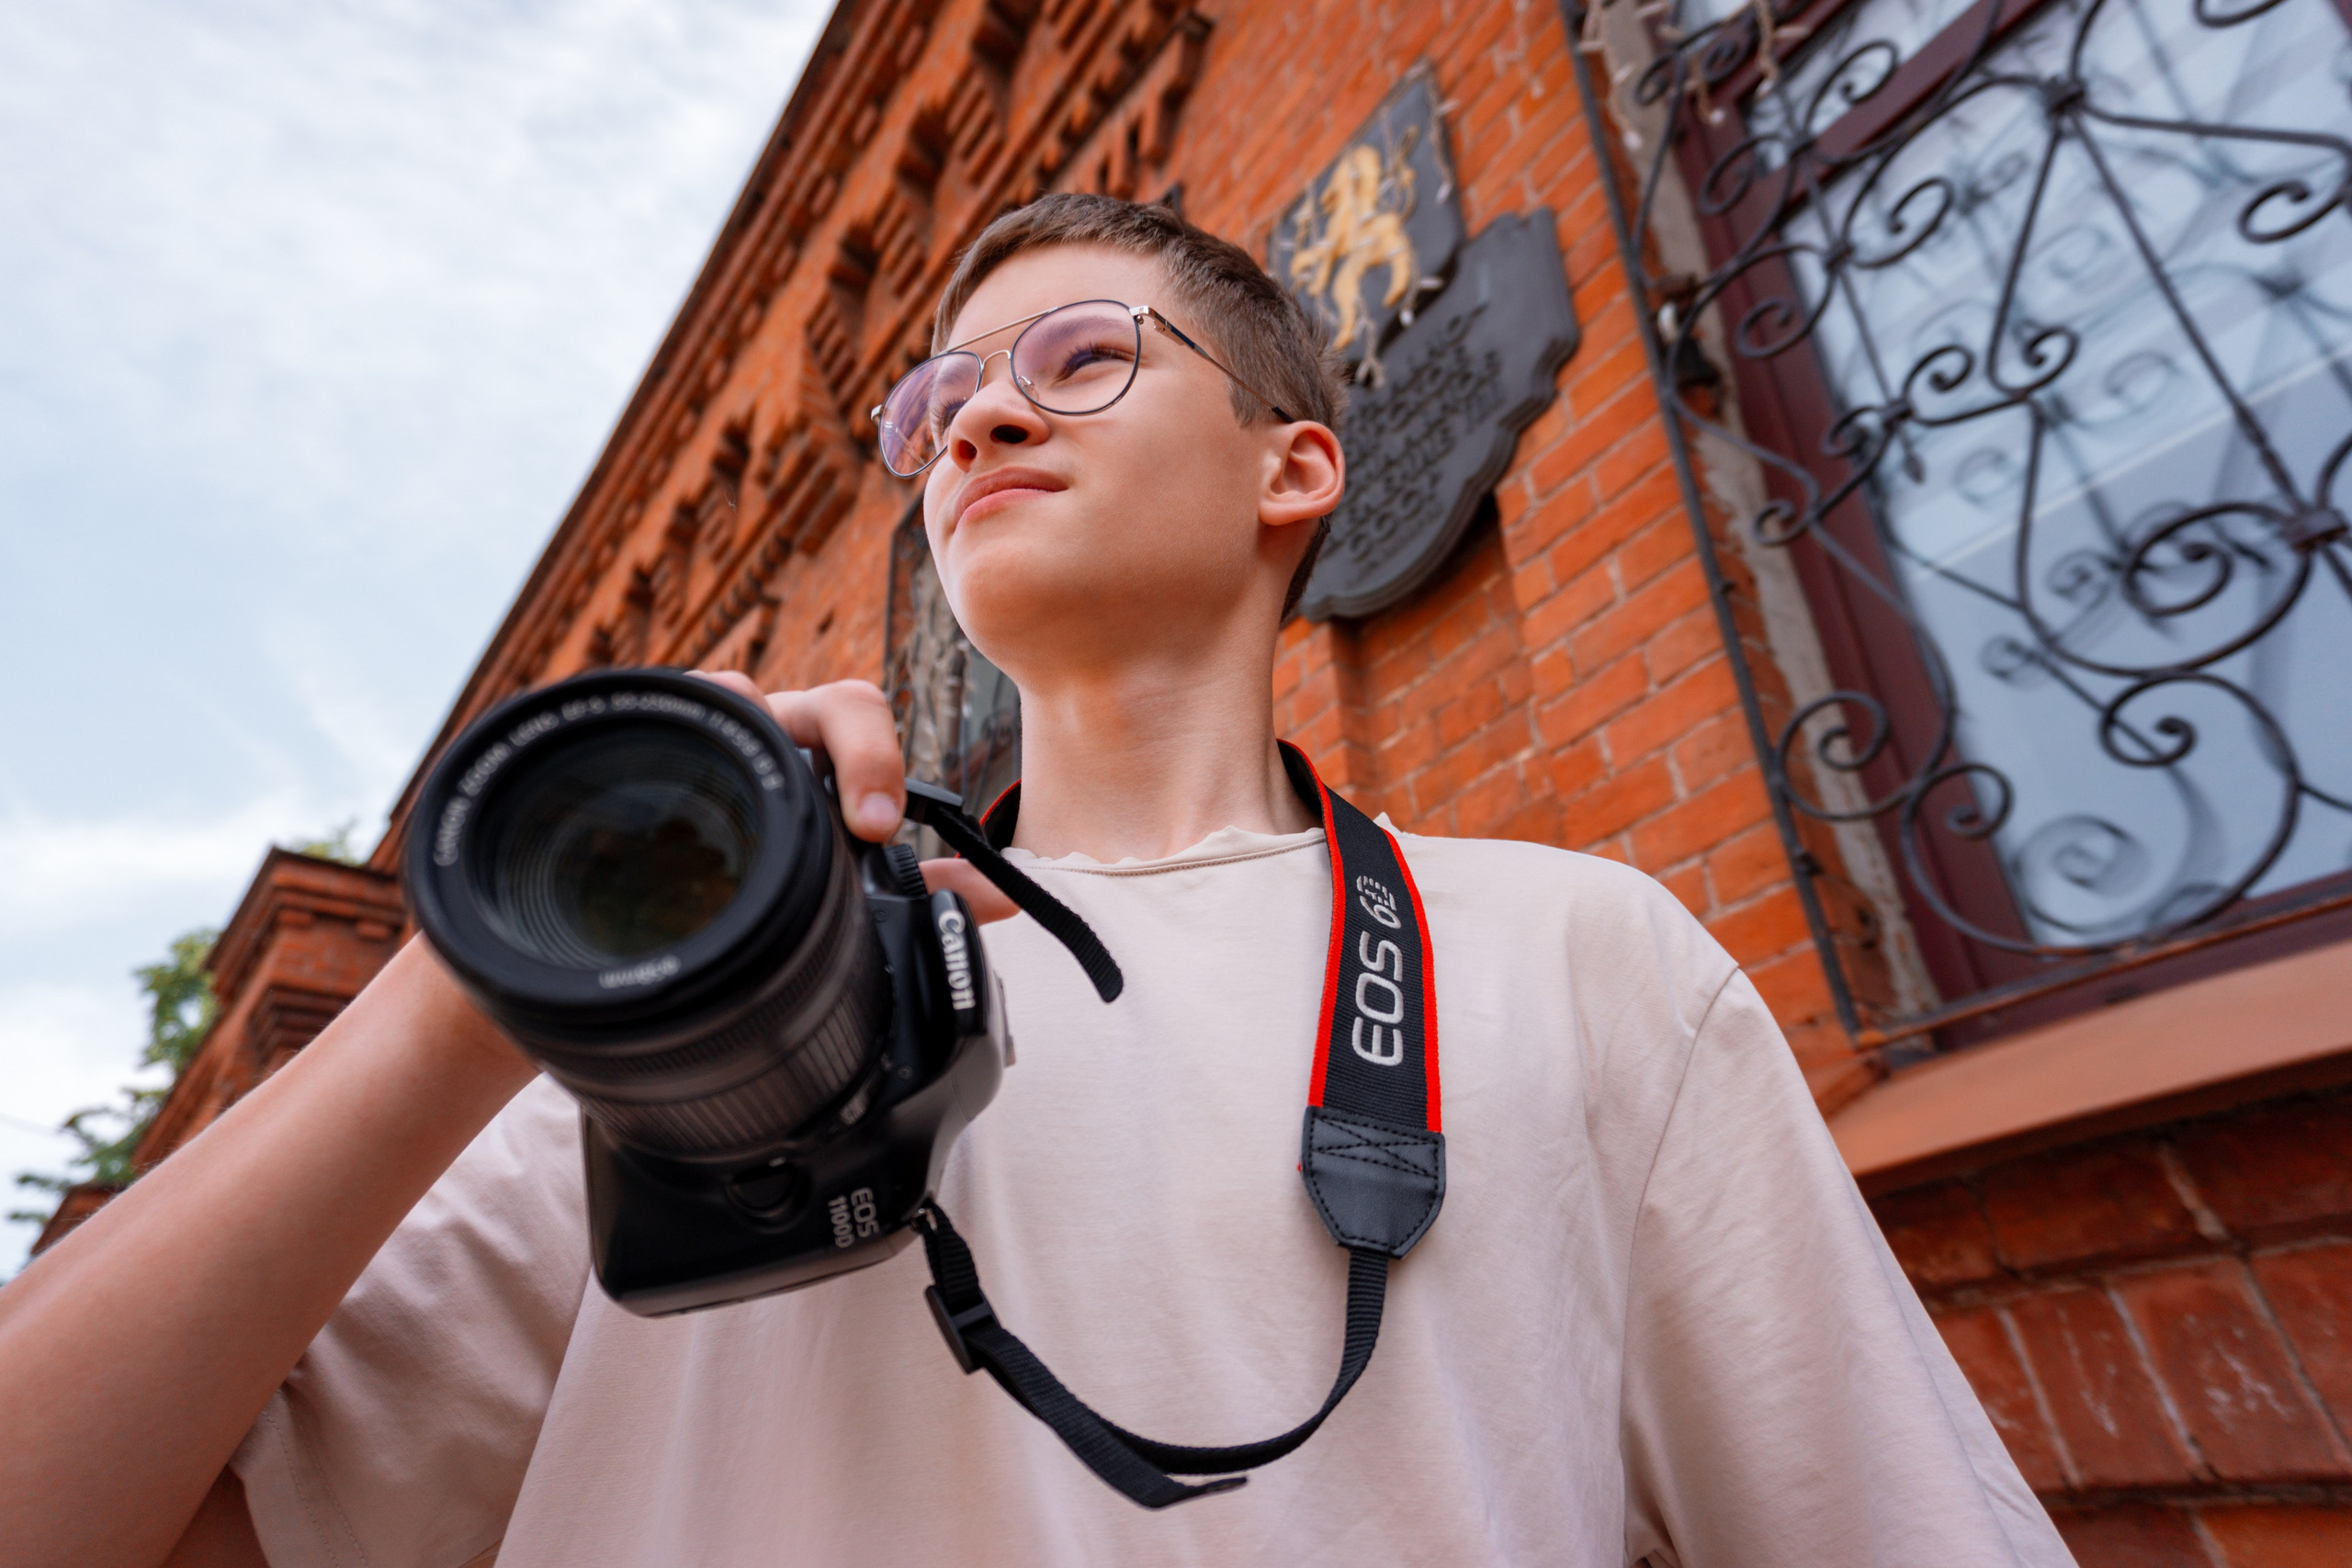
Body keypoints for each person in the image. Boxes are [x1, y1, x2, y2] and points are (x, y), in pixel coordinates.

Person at [0, 194, 2073, 1568]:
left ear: (1293, 468)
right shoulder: (718, 1011)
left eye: (1084, 356)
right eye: (934, 401)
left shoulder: (1567, 947)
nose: (977, 409)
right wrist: (483, 977)